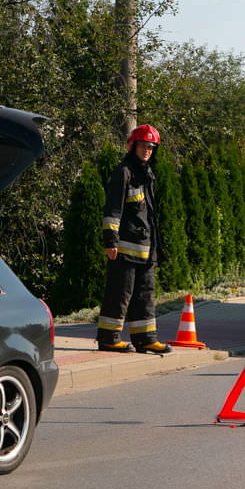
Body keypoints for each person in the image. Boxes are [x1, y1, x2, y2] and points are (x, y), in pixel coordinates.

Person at [96, 124, 170, 354]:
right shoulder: (124, 172)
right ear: (133, 146)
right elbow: (113, 209)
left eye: (150, 147)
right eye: (143, 146)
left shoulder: (146, 173)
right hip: (125, 248)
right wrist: (111, 240)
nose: (147, 150)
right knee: (119, 293)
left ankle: (146, 339)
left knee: (144, 295)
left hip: (145, 248)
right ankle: (109, 338)